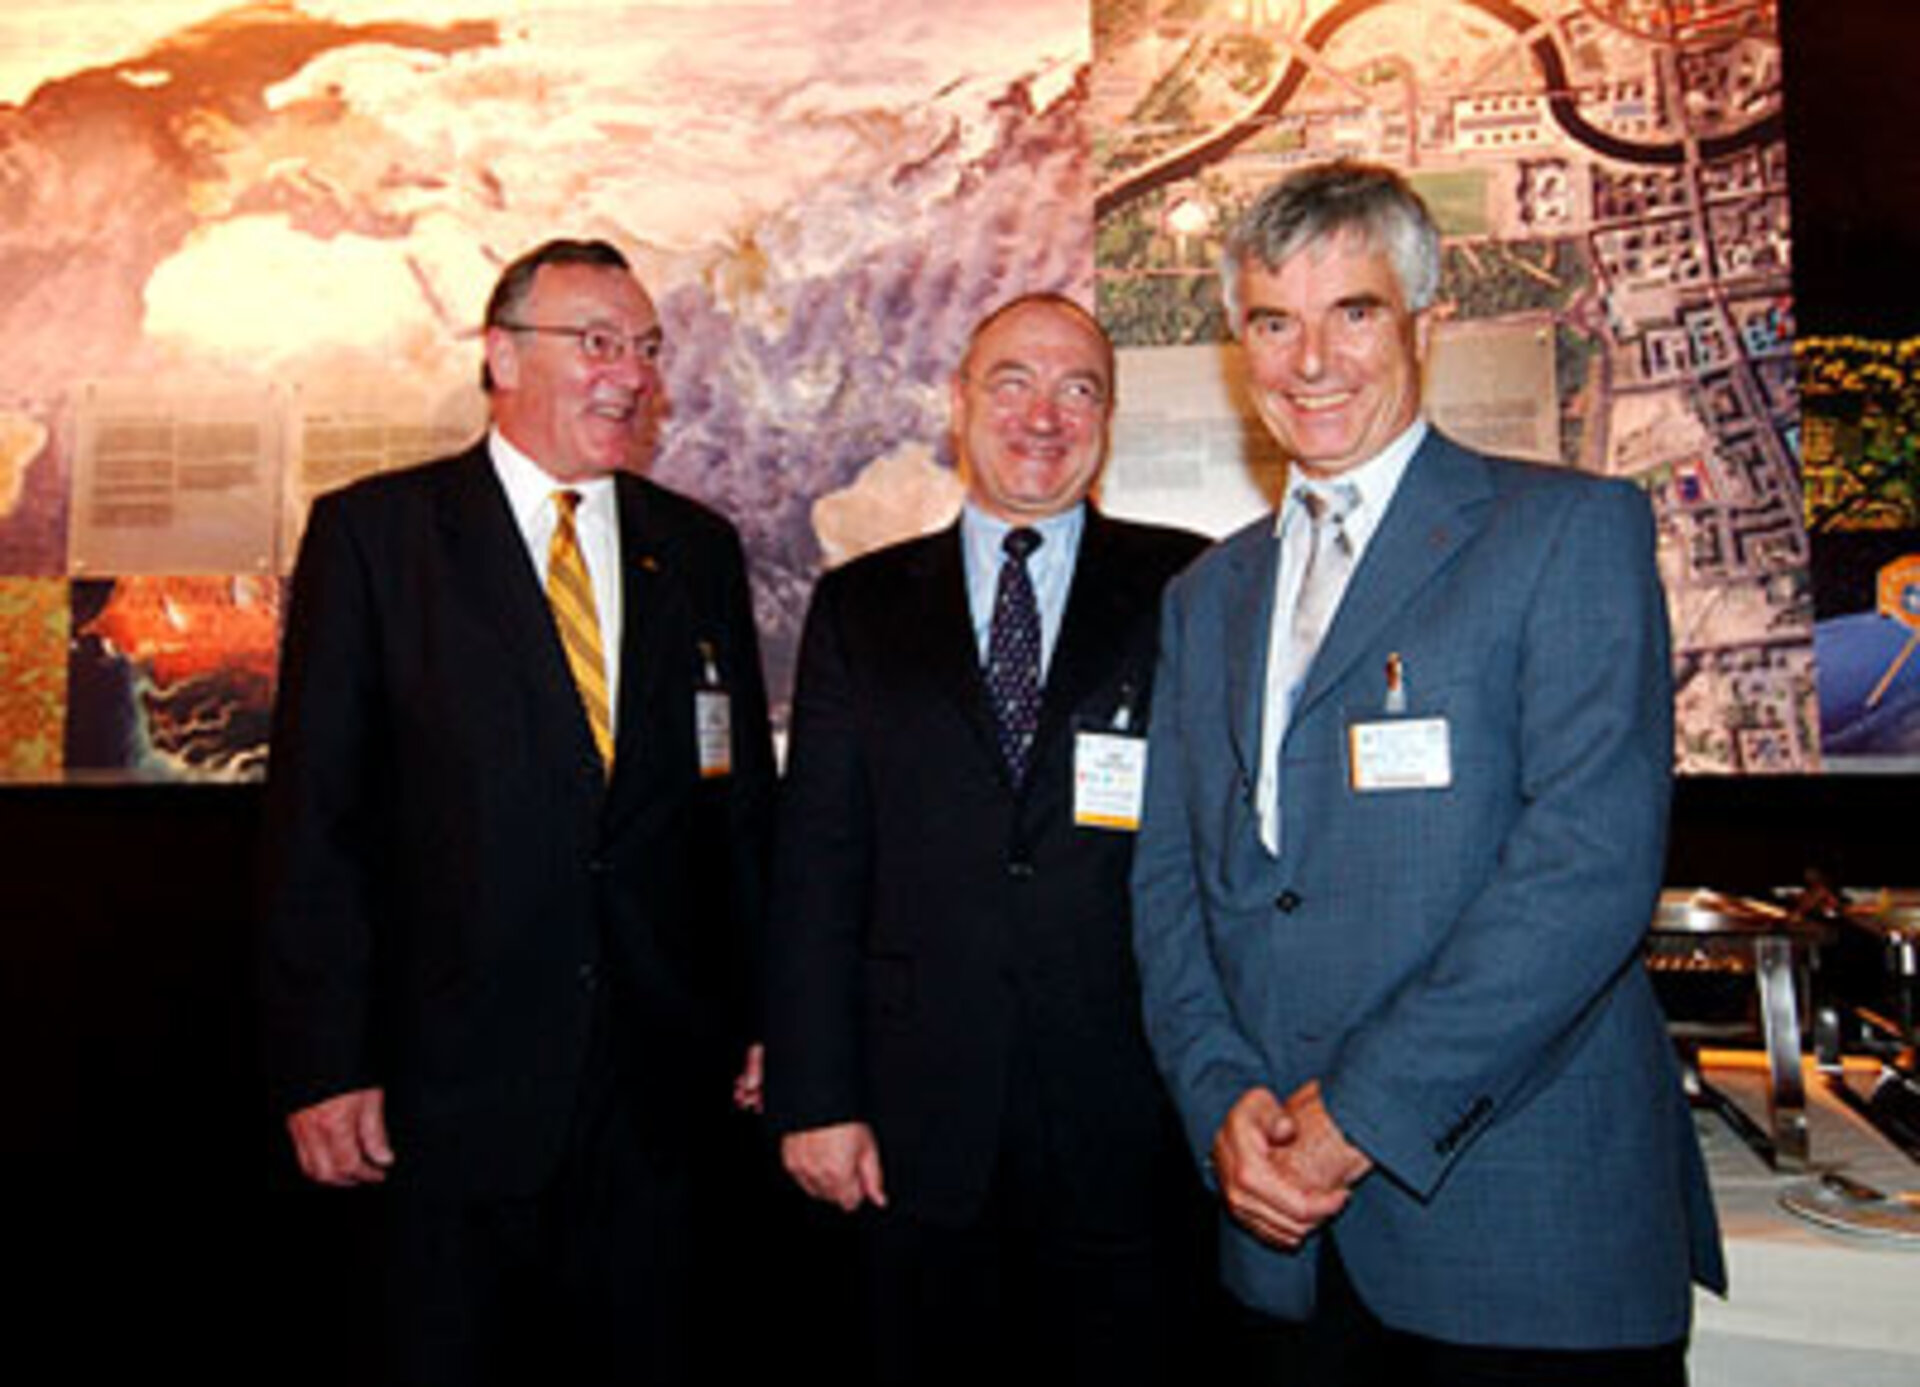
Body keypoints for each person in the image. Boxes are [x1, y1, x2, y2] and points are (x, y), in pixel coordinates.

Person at [1130, 162, 1726, 1385]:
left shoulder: (1567, 533)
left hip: (1523, 1245)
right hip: (1283, 1251)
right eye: (1272, 323)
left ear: (1425, 322)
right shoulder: (1206, 598)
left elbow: (1586, 876)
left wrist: (1348, 1123)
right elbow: (1173, 890)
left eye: (1352, 312)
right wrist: (1222, 1103)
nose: (1312, 361)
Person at [260, 238, 775, 1386]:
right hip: (446, 1100)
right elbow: (318, 822)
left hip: (660, 1098)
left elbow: (735, 811)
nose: (630, 373)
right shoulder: (378, 539)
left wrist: (763, 1010)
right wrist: (322, 1060)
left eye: (645, 347)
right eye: (596, 342)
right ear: (500, 355)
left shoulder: (695, 550)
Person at [765, 293, 1211, 1384]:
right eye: (1012, 381)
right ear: (959, 403)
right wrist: (815, 1097)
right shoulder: (860, 606)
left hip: (1132, 1112)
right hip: (916, 1121)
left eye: (1078, 388)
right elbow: (817, 863)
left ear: (1108, 417)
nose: (1042, 415)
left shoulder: (1191, 587)